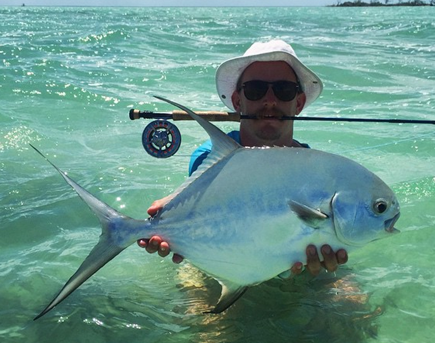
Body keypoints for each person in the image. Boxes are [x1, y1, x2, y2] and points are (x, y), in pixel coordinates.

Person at [138, 40, 348, 276]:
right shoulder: (208, 156)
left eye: (284, 90)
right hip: (220, 264)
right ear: (238, 101)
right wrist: (170, 209)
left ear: (298, 103)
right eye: (255, 90)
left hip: (300, 270)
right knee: (195, 290)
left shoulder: (313, 168)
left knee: (350, 293)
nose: (270, 100)